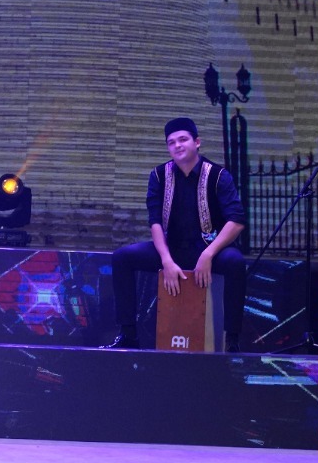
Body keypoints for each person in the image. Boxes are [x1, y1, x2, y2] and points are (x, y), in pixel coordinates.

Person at [104, 117, 248, 352]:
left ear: (197, 142)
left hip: (209, 248)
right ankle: (128, 335)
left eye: (183, 140)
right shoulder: (159, 175)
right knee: (122, 257)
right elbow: (155, 221)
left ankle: (232, 341)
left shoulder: (218, 175)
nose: (177, 146)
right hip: (172, 249)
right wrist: (166, 261)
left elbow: (237, 221)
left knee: (235, 262)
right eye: (171, 142)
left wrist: (208, 255)